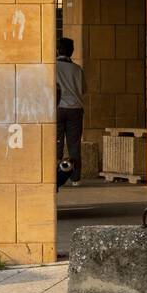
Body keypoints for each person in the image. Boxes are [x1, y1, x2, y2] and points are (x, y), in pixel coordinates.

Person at [56, 37, 86, 186]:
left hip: (58, 108)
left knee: (56, 143)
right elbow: (83, 89)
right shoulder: (78, 69)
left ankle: (55, 174)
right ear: (72, 51)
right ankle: (75, 178)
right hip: (76, 109)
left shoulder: (53, 67)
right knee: (74, 144)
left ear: (57, 50)